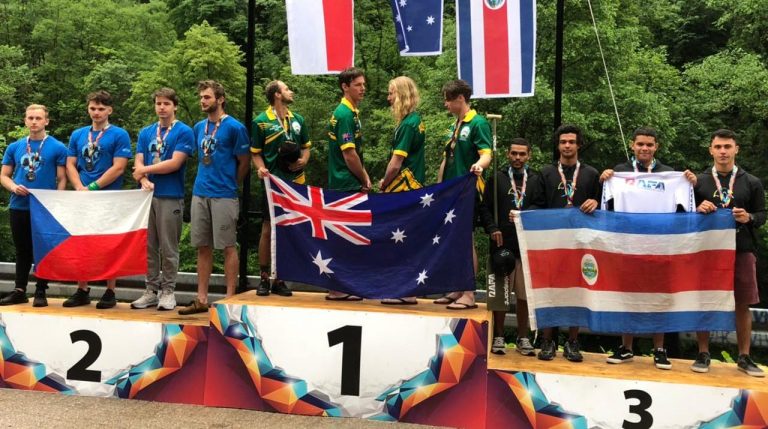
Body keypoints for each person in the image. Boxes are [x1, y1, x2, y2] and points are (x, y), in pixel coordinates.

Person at [600, 127, 696, 369]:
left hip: (660, 247)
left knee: (659, 298)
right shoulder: (619, 172)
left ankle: (660, 349)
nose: (644, 148)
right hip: (627, 246)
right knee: (627, 297)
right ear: (632, 145)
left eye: (649, 145)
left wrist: (692, 183)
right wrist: (604, 180)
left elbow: (688, 208)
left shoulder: (670, 175)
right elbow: (605, 206)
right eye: (640, 144)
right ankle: (626, 347)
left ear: (657, 147)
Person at [693, 129, 765, 377]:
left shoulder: (752, 182)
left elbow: (762, 215)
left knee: (742, 303)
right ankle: (703, 353)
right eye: (718, 147)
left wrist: (749, 217)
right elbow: (684, 214)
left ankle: (744, 357)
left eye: (727, 147)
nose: (723, 151)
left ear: (737, 149)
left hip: (742, 249)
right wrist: (697, 207)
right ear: (710, 150)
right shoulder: (698, 182)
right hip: (708, 251)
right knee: (705, 300)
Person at [178, 80, 250, 315]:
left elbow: (244, 163)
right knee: (202, 246)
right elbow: (202, 156)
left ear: (220, 99)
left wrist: (230, 183)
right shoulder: (199, 127)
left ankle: (229, 298)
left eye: (207, 97)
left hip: (224, 194)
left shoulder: (235, 128)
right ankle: (201, 298)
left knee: (228, 245)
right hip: (200, 192)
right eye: (201, 97)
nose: (202, 101)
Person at [529, 124, 600, 362]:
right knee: (550, 290)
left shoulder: (591, 174)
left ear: (579, 144)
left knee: (577, 292)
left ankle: (572, 341)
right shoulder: (546, 173)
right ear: (558, 145)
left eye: (571, 141)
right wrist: (522, 216)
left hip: (581, 243)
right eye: (563, 142)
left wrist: (595, 202)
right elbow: (536, 205)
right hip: (553, 243)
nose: (567, 146)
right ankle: (547, 340)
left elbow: (603, 204)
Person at [65, 90, 132, 309]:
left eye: (101, 109)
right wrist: (78, 187)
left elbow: (119, 167)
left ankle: (110, 291)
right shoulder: (78, 134)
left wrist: (93, 186)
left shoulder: (119, 134)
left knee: (108, 244)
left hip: (108, 196)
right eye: (93, 108)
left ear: (110, 110)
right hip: (83, 196)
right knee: (82, 242)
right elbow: (70, 164)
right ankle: (82, 289)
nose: (96, 113)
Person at [130, 88, 195, 311]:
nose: (162, 107)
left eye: (166, 103)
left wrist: (142, 171)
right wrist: (143, 179)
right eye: (158, 103)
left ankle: (168, 291)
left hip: (171, 195)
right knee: (148, 246)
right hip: (147, 196)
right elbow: (138, 160)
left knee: (169, 247)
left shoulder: (184, 131)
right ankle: (150, 290)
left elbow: (174, 163)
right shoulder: (146, 132)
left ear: (174, 106)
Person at [0, 104, 68, 307]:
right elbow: (4, 175)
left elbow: (62, 179)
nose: (34, 122)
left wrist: (57, 202)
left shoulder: (57, 147)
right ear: (25, 120)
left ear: (46, 121)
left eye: (38, 118)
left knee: (42, 249)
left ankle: (40, 290)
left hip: (44, 208)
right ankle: (19, 290)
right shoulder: (15, 146)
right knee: (22, 250)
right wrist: (13, 187)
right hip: (19, 205)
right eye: (30, 118)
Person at [434, 79, 491, 310]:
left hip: (468, 190)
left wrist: (479, 165)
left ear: (460, 99)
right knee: (454, 240)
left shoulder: (477, 123)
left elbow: (487, 154)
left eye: (448, 99)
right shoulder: (455, 125)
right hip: (450, 190)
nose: (445, 104)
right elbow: (447, 159)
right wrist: (439, 187)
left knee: (466, 240)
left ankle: (469, 292)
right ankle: (457, 287)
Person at [251, 80, 311, 297]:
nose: (290, 91)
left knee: (288, 229)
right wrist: (260, 168)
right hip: (273, 183)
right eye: (286, 89)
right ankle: (265, 277)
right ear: (277, 94)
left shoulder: (298, 120)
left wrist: (304, 160)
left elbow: (306, 149)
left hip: (296, 184)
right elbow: (255, 152)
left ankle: (281, 278)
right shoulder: (261, 122)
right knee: (268, 227)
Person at [481, 138, 538, 355]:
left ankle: (523, 338)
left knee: (524, 296)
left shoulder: (534, 180)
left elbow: (540, 205)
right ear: (507, 154)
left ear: (529, 155)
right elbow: (485, 208)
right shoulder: (497, 178)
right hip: (501, 244)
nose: (517, 158)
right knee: (499, 296)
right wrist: (492, 228)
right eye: (514, 153)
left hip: (526, 247)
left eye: (522, 154)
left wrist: (525, 215)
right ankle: (499, 336)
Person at [378, 76, 426, 305]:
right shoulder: (415, 120)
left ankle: (404, 290)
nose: (388, 99)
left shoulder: (408, 125)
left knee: (399, 239)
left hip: (403, 188)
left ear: (402, 95)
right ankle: (406, 290)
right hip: (413, 188)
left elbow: (396, 162)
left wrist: (384, 183)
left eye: (391, 93)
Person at [325, 67, 371, 301]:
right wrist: (364, 179)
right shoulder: (343, 114)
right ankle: (337, 287)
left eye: (363, 84)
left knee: (349, 236)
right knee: (344, 236)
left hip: (349, 181)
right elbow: (349, 154)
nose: (363, 88)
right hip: (345, 183)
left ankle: (344, 285)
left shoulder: (351, 113)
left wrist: (364, 175)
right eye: (358, 85)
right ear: (345, 86)